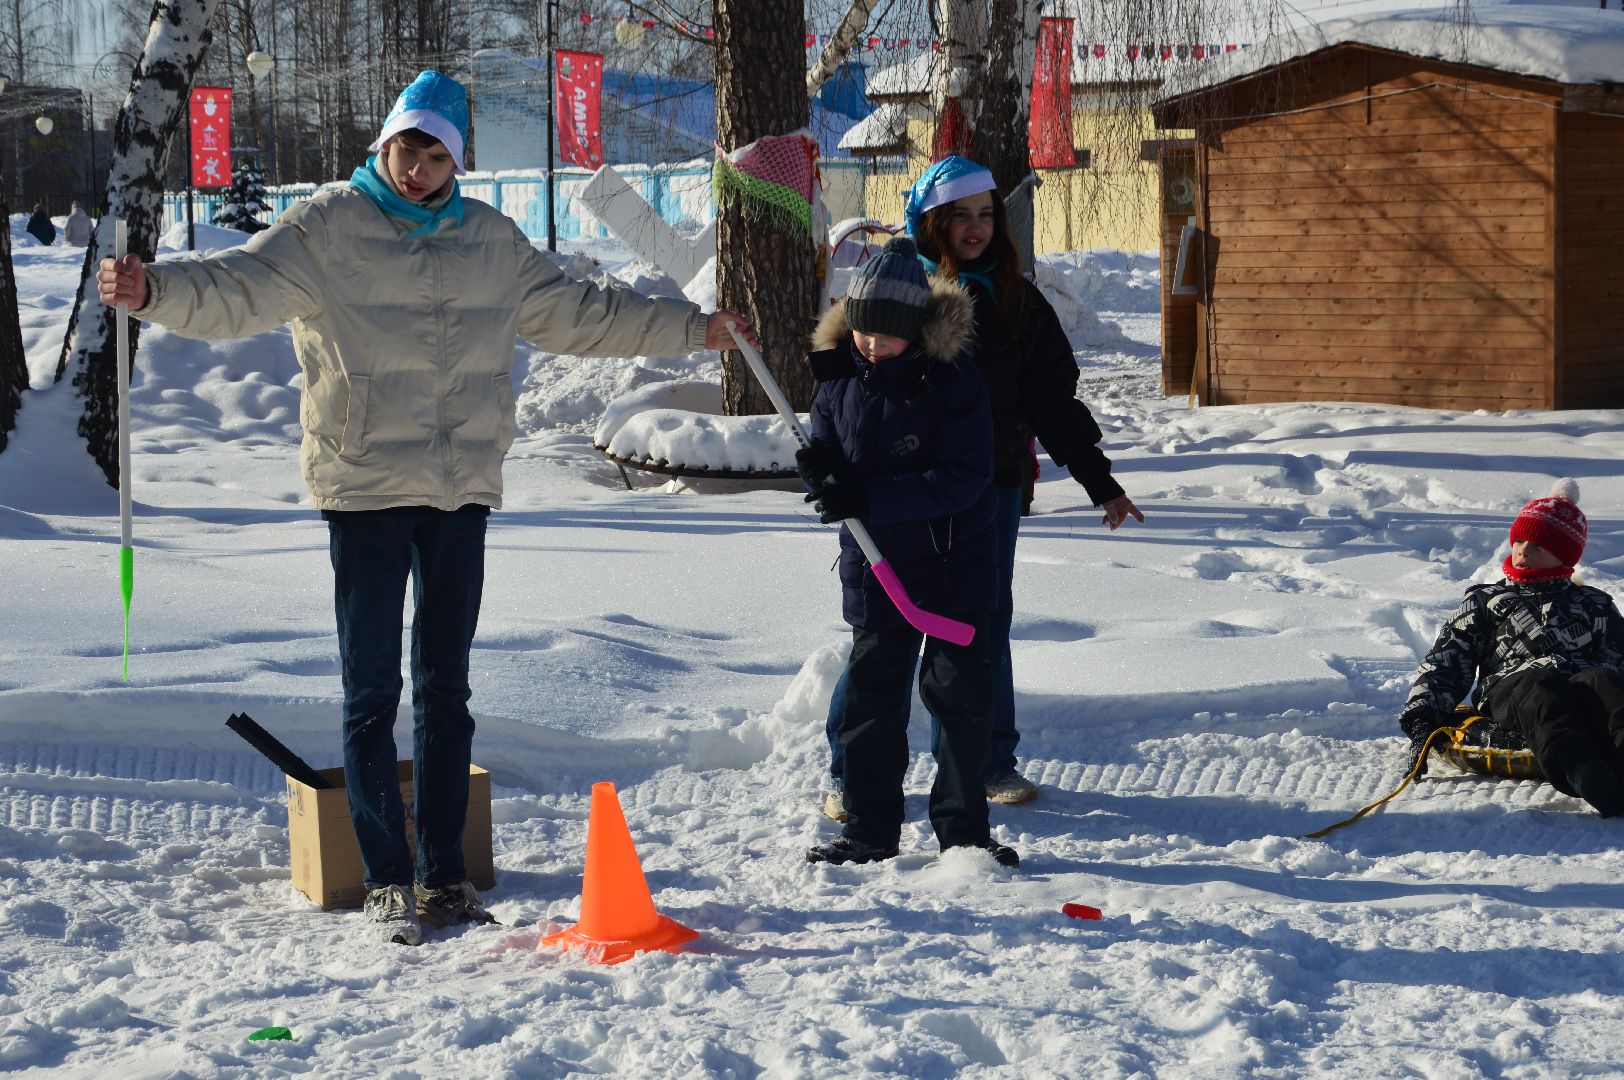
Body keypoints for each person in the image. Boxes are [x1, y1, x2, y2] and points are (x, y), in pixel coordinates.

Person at [97, 70, 756, 946]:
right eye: (409, 147)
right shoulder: (328, 227)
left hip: (459, 490)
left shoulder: (492, 239)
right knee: (372, 689)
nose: (418, 167)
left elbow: (583, 314)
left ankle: (443, 876)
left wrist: (687, 328)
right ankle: (384, 877)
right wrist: (156, 292)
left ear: (458, 158)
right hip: (364, 483)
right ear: (385, 142)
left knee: (446, 689)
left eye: (437, 152)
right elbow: (239, 287)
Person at [819, 156, 1142, 822]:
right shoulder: (898, 285)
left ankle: (988, 760)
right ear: (932, 220)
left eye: (986, 216)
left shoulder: (1015, 297)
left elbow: (1053, 400)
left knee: (979, 627)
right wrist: (836, 469)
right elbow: (836, 376)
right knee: (883, 628)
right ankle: (849, 770)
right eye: (960, 216)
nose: (975, 230)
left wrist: (1099, 481)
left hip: (987, 488)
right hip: (894, 490)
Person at [798, 235, 1017, 869]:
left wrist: (863, 494)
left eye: (885, 337)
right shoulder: (840, 377)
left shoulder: (953, 382)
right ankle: (869, 830)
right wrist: (823, 473)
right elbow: (828, 453)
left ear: (916, 331)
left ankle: (964, 836)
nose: (870, 346)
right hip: (877, 568)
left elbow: (963, 478)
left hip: (952, 567)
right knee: (870, 704)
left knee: (959, 704)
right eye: (862, 333)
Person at [1399, 480, 1624, 817]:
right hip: (1513, 689)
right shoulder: (1487, 601)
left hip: (1581, 685)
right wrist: (1422, 719)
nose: (1522, 551)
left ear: (1564, 555)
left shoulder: (1593, 603)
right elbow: (1447, 660)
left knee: (1603, 682)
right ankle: (1582, 770)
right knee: (1540, 690)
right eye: (1518, 540)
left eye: (1537, 546)